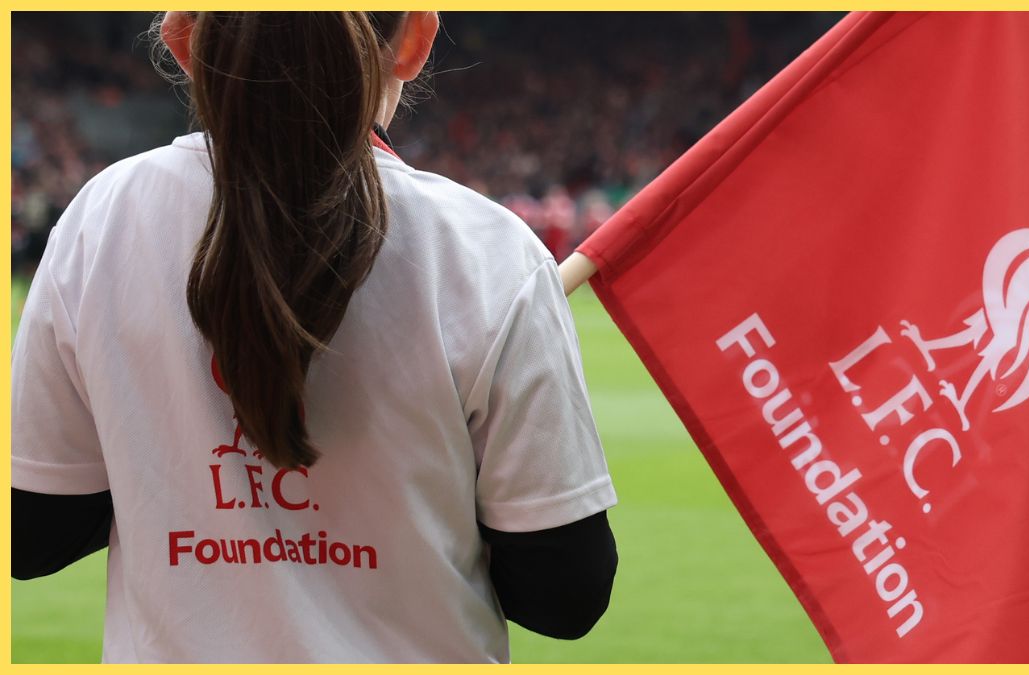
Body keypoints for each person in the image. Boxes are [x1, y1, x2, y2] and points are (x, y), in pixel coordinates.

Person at [11, 11, 618, 663]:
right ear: (415, 40)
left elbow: (31, 535)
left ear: (183, 37)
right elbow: (565, 598)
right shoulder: (485, 251)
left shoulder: (102, 221)